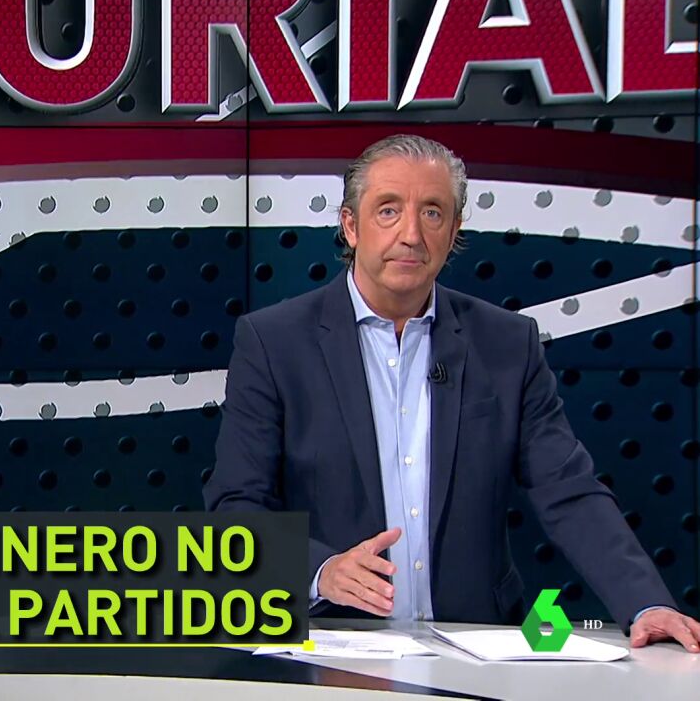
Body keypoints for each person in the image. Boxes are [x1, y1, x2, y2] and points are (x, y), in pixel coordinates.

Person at [204, 134, 700, 651]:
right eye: (388, 211)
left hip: (477, 644)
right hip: (336, 643)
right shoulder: (275, 342)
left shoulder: (507, 343)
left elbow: (568, 489)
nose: (411, 234)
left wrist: (646, 603)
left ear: (455, 229)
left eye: (433, 213)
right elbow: (236, 504)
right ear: (350, 225)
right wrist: (319, 570)